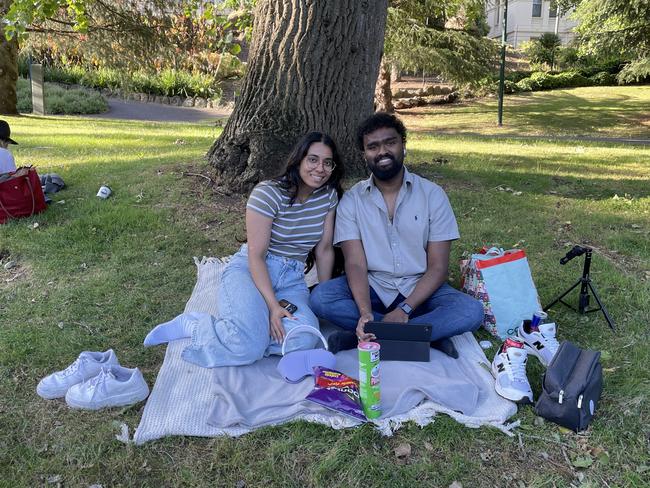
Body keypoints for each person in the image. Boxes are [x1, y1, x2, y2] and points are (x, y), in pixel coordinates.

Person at [144, 132, 344, 367]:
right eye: (313, 159)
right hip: (252, 271)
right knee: (248, 346)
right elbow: (255, 256)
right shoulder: (268, 193)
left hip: (292, 281)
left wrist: (324, 295)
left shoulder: (328, 196)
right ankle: (197, 325)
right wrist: (271, 306)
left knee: (306, 337)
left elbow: (324, 250)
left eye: (327, 162)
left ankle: (250, 333)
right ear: (299, 159)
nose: (320, 168)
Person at [309, 113, 483, 357]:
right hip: (374, 286)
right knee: (321, 298)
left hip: (421, 290)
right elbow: (356, 264)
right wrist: (365, 312)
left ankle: (367, 336)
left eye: (390, 142)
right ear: (364, 154)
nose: (382, 151)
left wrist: (405, 309)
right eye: (373, 146)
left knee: (470, 311)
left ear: (403, 144)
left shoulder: (433, 195)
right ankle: (421, 337)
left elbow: (437, 267)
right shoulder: (352, 200)